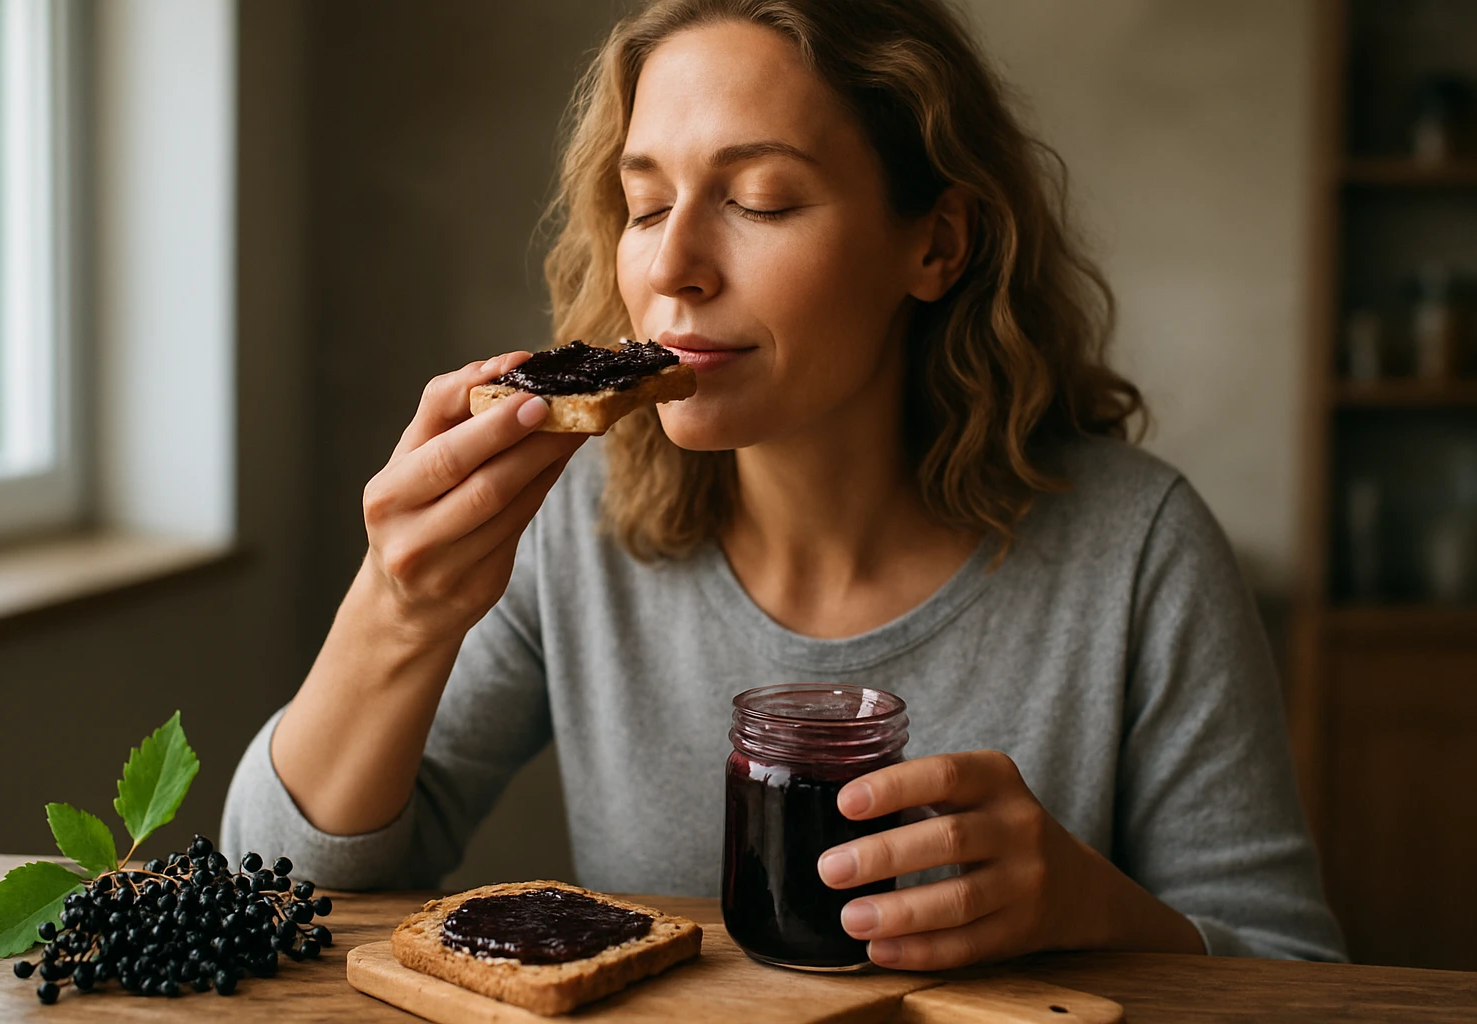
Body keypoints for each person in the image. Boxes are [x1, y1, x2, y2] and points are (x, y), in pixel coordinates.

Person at [223, 0, 1346, 969]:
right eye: (646, 204)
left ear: (937, 246)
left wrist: (1092, 908)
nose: (670, 268)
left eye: (759, 198)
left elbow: (1300, 974)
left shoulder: (1140, 549)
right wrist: (395, 611)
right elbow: (283, 886)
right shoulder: (575, 515)